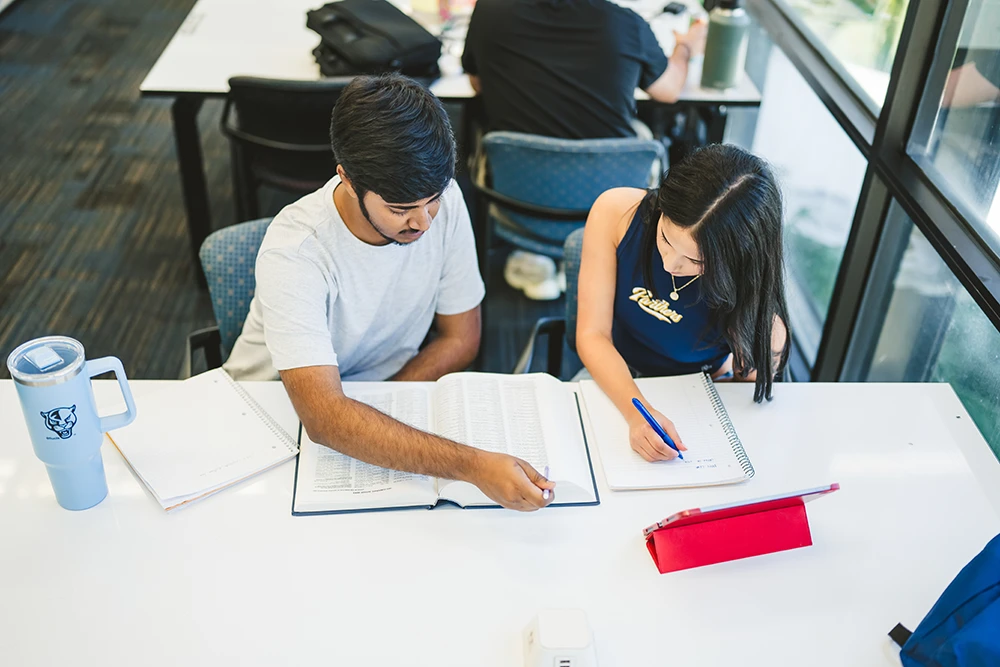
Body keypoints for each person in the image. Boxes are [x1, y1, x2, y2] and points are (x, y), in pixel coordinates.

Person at [224, 74, 555, 511]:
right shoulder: (297, 251)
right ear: (347, 179)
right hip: (270, 420)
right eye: (400, 209)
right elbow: (323, 419)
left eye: (432, 200)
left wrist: (378, 413)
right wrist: (471, 465)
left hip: (373, 403)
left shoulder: (443, 200)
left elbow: (462, 338)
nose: (424, 222)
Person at [461, 0, 707, 301]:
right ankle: (584, 258)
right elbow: (669, 91)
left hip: (518, 202)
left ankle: (533, 254)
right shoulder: (625, 25)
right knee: (643, 133)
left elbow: (478, 83)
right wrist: (684, 47)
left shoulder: (489, 12)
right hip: (607, 210)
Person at [576, 144, 789, 462]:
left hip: (699, 393)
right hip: (614, 372)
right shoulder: (617, 212)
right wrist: (638, 413)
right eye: (665, 238)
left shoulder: (760, 314)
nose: (670, 264)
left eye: (696, 260)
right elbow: (592, 334)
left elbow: (747, 402)